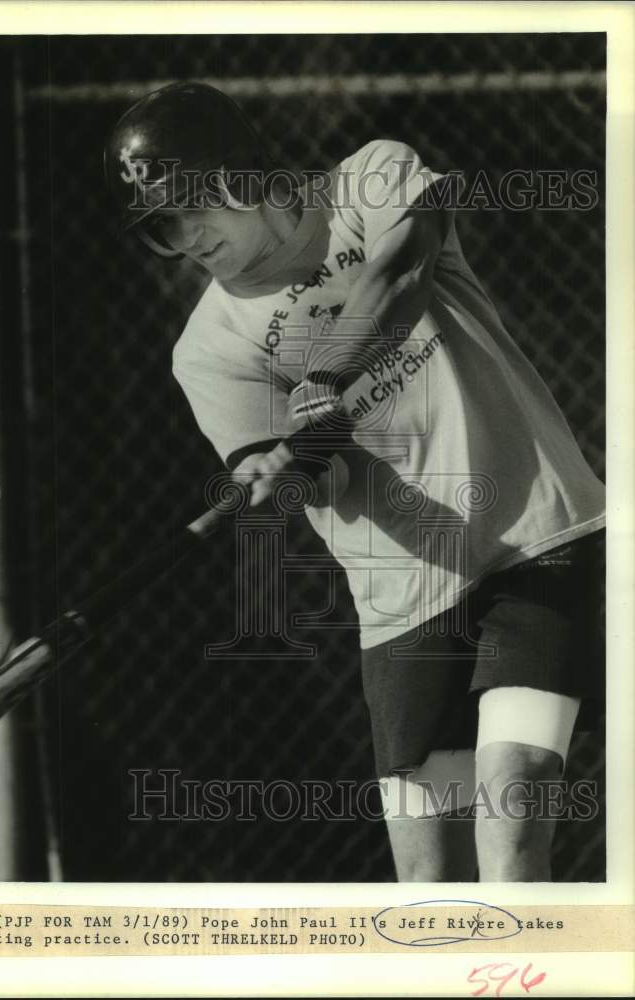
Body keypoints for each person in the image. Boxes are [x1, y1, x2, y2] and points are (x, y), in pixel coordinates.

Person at [104, 81, 605, 882]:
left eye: (193, 202)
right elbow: (325, 478)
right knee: (427, 889)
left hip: (536, 546)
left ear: (243, 173)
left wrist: (329, 376)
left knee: (511, 817)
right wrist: (281, 474)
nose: (185, 234)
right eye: (162, 224)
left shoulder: (373, 179)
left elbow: (404, 274)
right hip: (404, 602)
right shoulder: (206, 348)